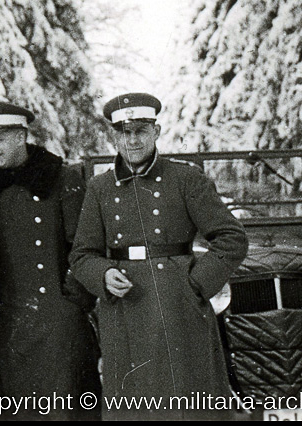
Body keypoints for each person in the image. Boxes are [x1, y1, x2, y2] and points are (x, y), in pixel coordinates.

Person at [70, 93, 248, 419]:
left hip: (179, 312)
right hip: (124, 313)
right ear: (115, 136)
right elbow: (82, 255)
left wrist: (194, 284)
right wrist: (104, 275)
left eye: (140, 130)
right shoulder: (100, 188)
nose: (133, 140)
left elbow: (231, 239)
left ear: (156, 131)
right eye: (125, 132)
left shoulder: (186, 179)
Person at [0, 101, 100, 420]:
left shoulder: (61, 178)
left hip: (55, 321)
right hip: (4, 319)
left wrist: (71, 304)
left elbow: (85, 244)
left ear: (20, 136)